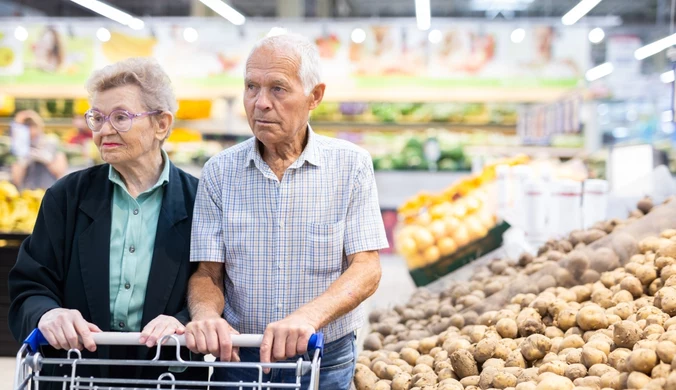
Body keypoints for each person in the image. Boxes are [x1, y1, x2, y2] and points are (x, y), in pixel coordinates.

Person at [185, 33, 389, 389]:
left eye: (278, 89)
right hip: (240, 354)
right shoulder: (218, 171)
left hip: (323, 354)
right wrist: (205, 317)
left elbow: (367, 267)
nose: (260, 103)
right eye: (251, 87)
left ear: (315, 97)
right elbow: (207, 274)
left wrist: (309, 317)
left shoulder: (350, 165)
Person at [8, 57, 206, 388]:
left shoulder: (199, 201)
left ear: (161, 124)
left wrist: (183, 321)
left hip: (167, 377)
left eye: (121, 117)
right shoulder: (67, 196)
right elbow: (29, 287)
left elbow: (215, 287)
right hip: (76, 375)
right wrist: (48, 314)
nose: (104, 130)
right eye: (97, 118)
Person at [10, 110, 68, 190]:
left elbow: (61, 172)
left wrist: (45, 158)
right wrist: (23, 160)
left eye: (32, 125)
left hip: (50, 191)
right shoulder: (18, 148)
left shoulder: (52, 142)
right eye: (26, 126)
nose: (30, 129)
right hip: (28, 194)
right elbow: (16, 180)